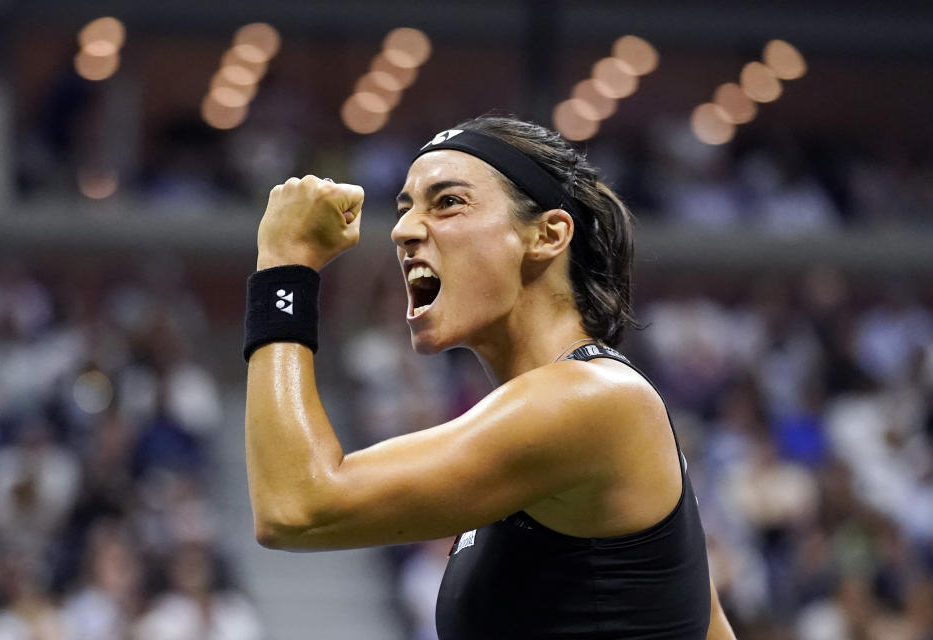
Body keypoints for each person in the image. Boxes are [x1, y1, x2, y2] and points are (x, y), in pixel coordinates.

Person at [243, 115, 737, 639]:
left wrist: (283, 269)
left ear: (547, 235)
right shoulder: (586, 407)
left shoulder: (591, 399)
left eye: (448, 202)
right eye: (406, 208)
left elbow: (296, 507)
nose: (403, 230)